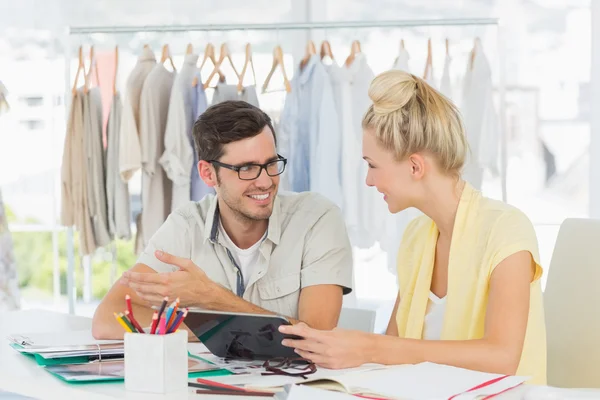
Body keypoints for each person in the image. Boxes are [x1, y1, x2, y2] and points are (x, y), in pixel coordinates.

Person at [280, 70, 547, 385]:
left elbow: (502, 358)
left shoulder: (506, 229)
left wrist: (371, 347)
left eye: (373, 165)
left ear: (415, 166)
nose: (368, 180)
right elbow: (393, 348)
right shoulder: (416, 238)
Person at [92, 100, 353, 339]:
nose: (265, 181)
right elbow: (107, 319)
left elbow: (318, 338)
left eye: (271, 163)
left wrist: (212, 299)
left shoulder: (317, 219)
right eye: (246, 168)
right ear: (208, 174)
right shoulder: (185, 226)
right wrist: (218, 329)